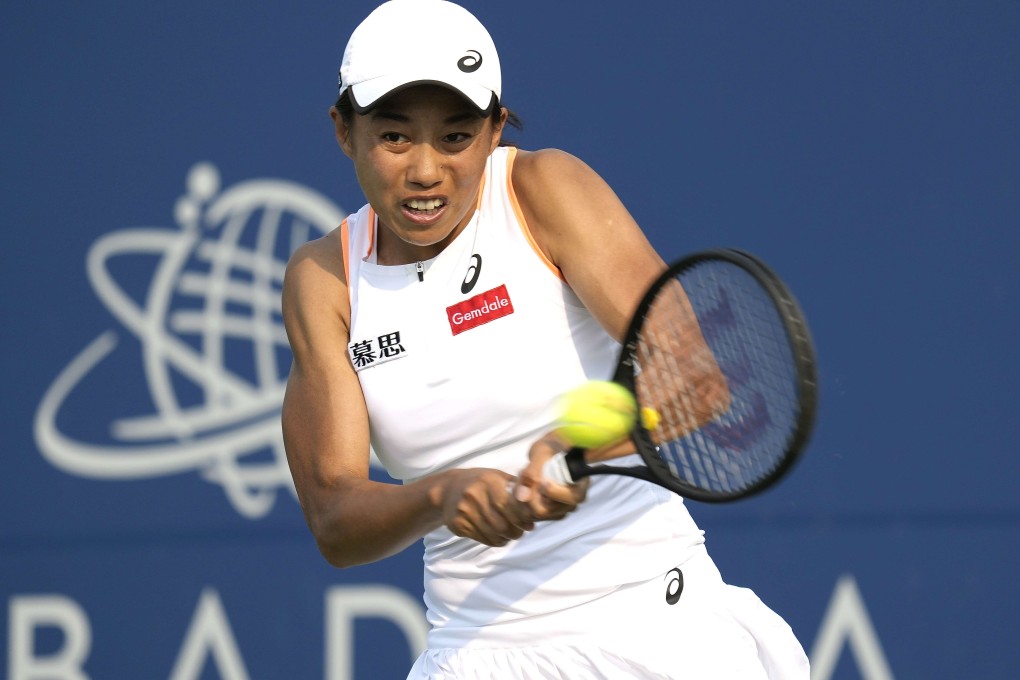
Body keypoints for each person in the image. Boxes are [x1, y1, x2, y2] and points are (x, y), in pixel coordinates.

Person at [281, 0, 810, 677]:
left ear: (496, 128)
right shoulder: (323, 279)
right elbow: (334, 517)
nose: (424, 171)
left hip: (654, 631)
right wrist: (440, 495)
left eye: (455, 136)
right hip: (470, 655)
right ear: (343, 131)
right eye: (393, 137)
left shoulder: (542, 191)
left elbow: (695, 377)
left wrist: (576, 445)